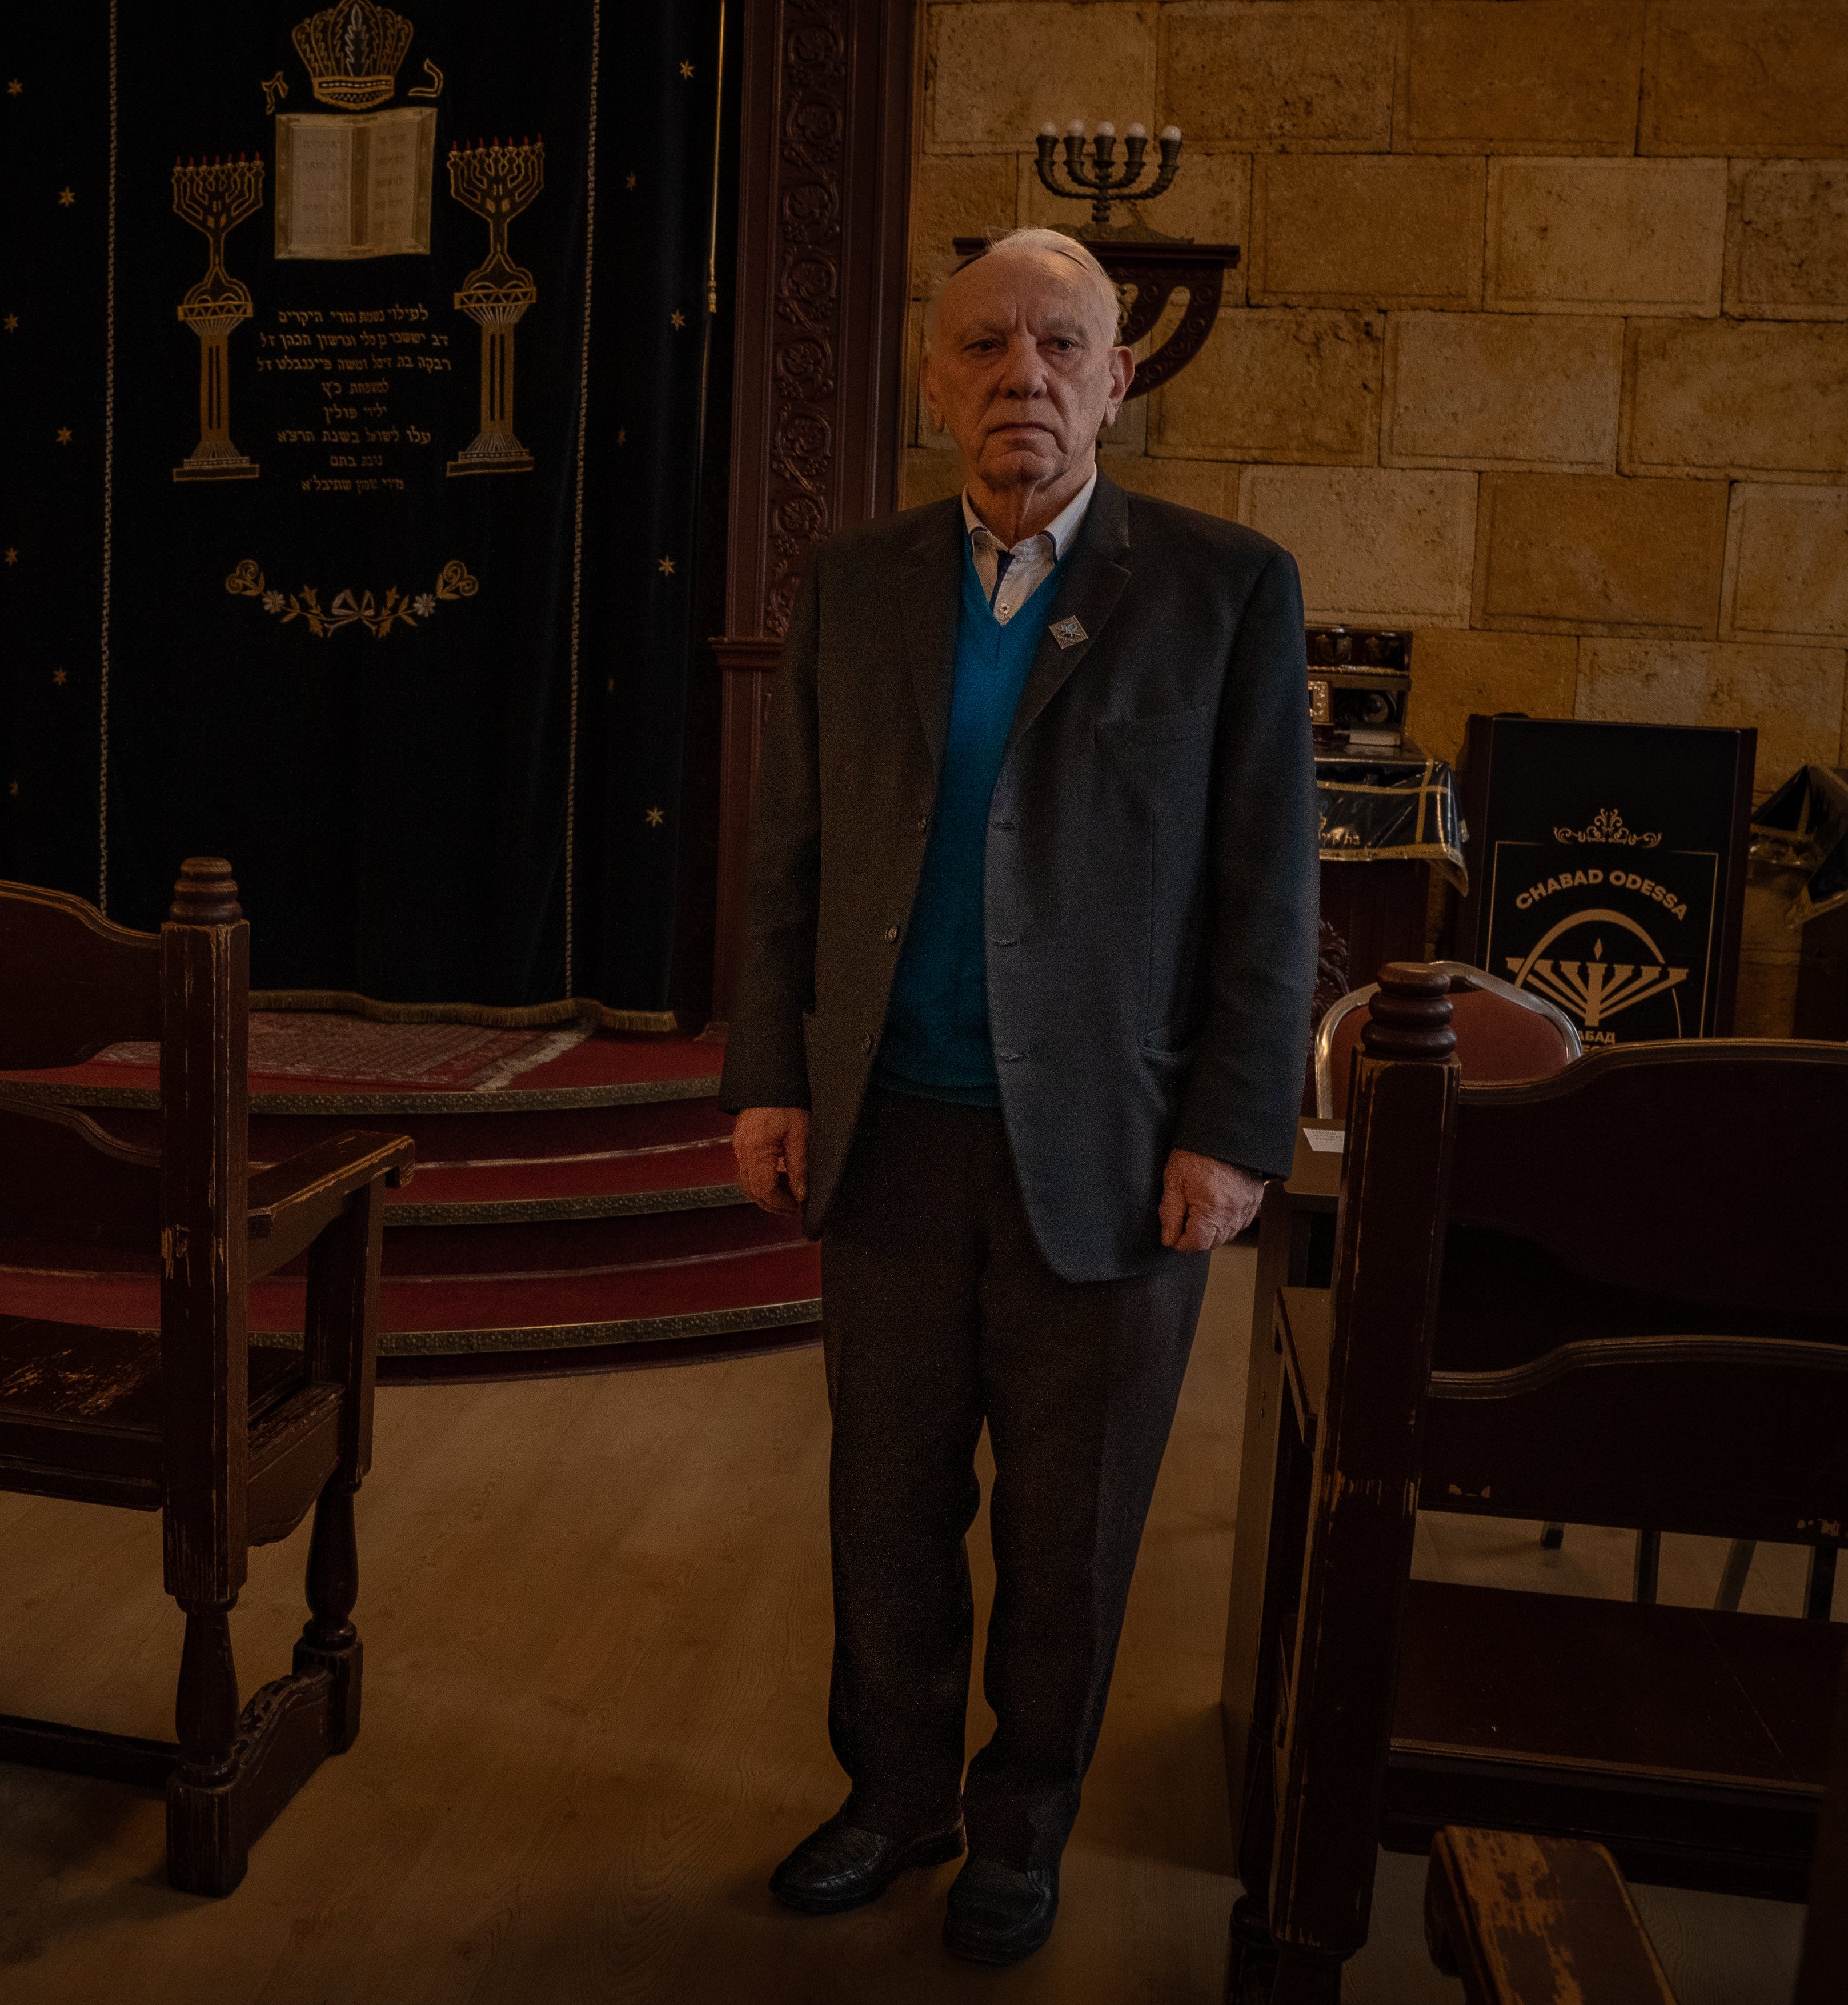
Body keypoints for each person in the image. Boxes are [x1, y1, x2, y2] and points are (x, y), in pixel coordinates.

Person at [719, 226, 1316, 1964]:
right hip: (891, 1134)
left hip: (1117, 1158)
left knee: (1072, 1531)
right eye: (982, 346)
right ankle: (892, 1797)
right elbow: (791, 870)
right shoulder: (854, 586)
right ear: (933, 379)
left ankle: (1021, 1825)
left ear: (1118, 378)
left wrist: (1234, 1129)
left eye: (1060, 345)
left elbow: (1271, 895)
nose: (1020, 378)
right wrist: (772, 1077)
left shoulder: (1224, 589)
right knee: (886, 1501)